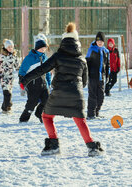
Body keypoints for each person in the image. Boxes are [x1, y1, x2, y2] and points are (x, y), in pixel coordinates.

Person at [20, 22, 104, 157]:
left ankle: (53, 144)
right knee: (80, 120)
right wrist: (75, 88)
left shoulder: (57, 56)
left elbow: (41, 70)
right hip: (76, 93)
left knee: (46, 116)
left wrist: (25, 80)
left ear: (63, 42)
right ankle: (92, 146)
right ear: (77, 42)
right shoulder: (82, 59)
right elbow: (84, 82)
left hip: (58, 92)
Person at [18, 36, 51, 123]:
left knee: (47, 101)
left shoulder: (45, 57)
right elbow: (22, 71)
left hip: (43, 84)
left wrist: (49, 82)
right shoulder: (30, 58)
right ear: (37, 48)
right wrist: (21, 83)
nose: (43, 50)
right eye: (41, 48)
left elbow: (47, 72)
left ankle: (39, 113)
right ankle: (23, 119)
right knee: (31, 104)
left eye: (44, 48)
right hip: (32, 85)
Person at [0, 39, 21, 113]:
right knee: (7, 93)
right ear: (5, 48)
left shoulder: (14, 57)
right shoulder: (1, 57)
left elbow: (18, 67)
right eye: (9, 47)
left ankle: (5, 106)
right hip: (3, 77)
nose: (10, 48)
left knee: (9, 93)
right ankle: (6, 109)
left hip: (11, 78)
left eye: (12, 47)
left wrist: (21, 75)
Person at [86, 31, 110, 119]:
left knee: (101, 96)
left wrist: (107, 76)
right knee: (92, 95)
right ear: (96, 41)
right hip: (92, 76)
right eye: (98, 40)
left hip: (101, 77)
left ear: (104, 42)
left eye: (101, 41)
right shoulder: (92, 49)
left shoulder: (106, 52)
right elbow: (87, 63)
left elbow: (108, 65)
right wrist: (87, 75)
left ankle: (96, 112)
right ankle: (90, 114)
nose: (99, 42)